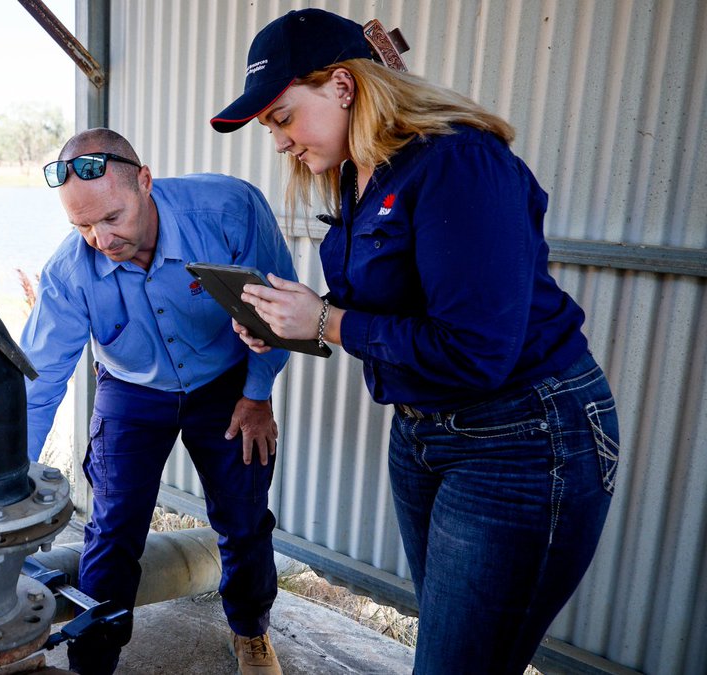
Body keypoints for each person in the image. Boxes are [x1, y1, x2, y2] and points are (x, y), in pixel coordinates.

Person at [211, 8, 621, 674]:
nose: (280, 143)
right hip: (423, 433)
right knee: (453, 648)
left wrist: (324, 321)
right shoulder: (356, 174)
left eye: (282, 117)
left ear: (342, 86)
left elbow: (475, 348)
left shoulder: (458, 160)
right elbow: (390, 306)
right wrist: (286, 319)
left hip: (522, 438)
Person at [20, 128, 293, 675]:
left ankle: (250, 632)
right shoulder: (70, 272)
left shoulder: (227, 210)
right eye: (82, 225)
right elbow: (39, 380)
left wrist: (257, 394)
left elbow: (278, 305)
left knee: (242, 518)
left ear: (145, 181)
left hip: (225, 384)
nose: (101, 239)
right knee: (114, 530)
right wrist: (12, 473)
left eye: (112, 218)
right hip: (131, 388)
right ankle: (92, 660)